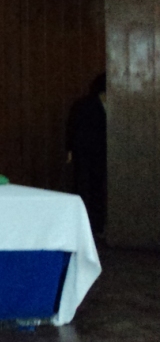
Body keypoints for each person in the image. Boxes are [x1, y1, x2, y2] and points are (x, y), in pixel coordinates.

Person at [67, 73, 106, 236]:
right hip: (86, 153)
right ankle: (87, 226)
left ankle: (97, 225)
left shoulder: (113, 104)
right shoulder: (84, 105)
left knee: (96, 189)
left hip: (99, 154)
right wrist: (70, 149)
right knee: (85, 188)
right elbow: (72, 128)